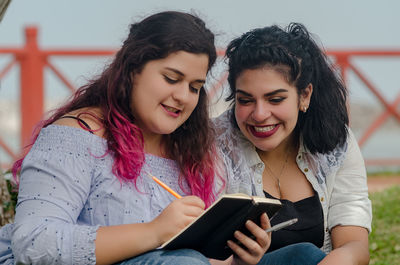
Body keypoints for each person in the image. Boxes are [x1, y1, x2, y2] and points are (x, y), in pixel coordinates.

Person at [0, 11, 271, 265]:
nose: (183, 96)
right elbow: (33, 242)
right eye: (171, 78)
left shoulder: (191, 148)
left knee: (300, 253)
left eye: (194, 87)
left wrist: (237, 258)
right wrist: (153, 232)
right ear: (132, 70)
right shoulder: (77, 136)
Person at [214, 23, 372, 264]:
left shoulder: (335, 142)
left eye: (275, 99)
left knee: (306, 255)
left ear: (304, 95)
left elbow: (354, 245)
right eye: (245, 100)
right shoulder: (214, 143)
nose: (259, 114)